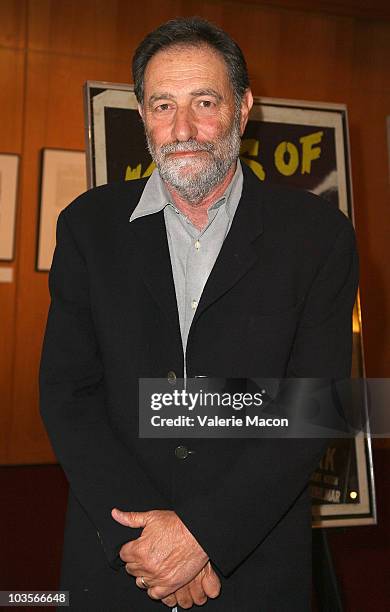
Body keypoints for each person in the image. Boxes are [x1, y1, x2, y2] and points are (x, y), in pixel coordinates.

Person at [39, 17, 359, 612]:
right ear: (141, 114)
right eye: (162, 105)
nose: (182, 129)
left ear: (243, 109)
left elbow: (317, 404)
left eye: (203, 102)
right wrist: (149, 540)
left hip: (252, 563)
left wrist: (203, 534)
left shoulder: (318, 236)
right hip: (120, 562)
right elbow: (68, 393)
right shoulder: (87, 227)